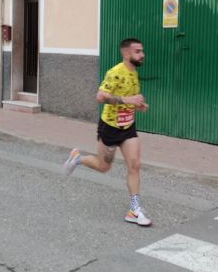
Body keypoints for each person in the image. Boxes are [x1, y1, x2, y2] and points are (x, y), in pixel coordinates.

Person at [64, 38, 152, 226]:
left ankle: (134, 210)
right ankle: (77, 158)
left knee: (135, 165)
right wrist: (128, 100)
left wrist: (138, 106)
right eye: (138, 51)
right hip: (110, 127)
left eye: (142, 51)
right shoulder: (115, 72)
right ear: (126, 53)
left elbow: (128, 99)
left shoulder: (134, 72)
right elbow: (100, 96)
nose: (142, 55)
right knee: (103, 167)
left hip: (128, 127)